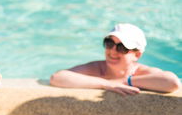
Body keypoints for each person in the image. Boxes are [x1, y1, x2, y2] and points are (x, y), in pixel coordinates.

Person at [50, 24, 180, 95]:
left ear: (137, 55)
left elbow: (172, 82)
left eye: (122, 47)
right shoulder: (97, 68)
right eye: (109, 43)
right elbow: (57, 77)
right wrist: (106, 84)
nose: (112, 51)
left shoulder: (141, 72)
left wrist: (125, 81)